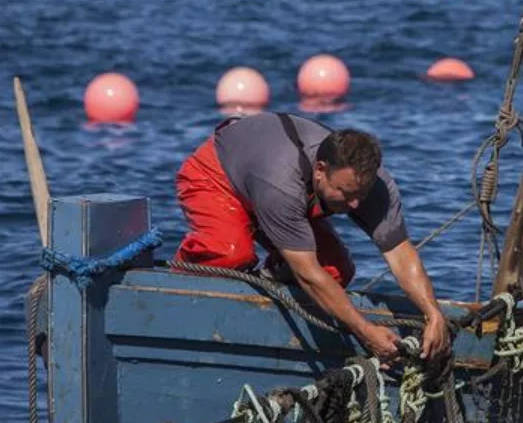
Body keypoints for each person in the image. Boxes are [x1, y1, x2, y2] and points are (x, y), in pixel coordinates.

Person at [172, 112, 450, 362]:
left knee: (335, 271)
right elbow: (307, 273)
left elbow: (401, 254)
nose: (354, 205)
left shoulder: (374, 185)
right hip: (219, 175)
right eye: (345, 193)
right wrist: (365, 332)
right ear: (319, 171)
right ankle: (171, 277)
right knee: (231, 253)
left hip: (278, 188)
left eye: (360, 195)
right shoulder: (281, 184)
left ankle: (270, 276)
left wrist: (433, 314)